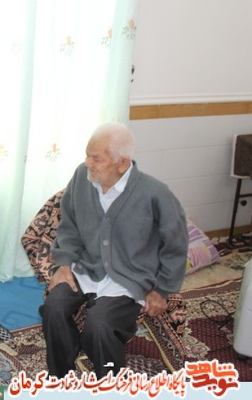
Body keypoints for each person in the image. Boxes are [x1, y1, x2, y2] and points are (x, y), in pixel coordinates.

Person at [40, 122, 188, 379]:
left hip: (129, 277)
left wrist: (162, 289)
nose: (88, 163)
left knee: (100, 326)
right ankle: (60, 378)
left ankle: (110, 385)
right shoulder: (81, 178)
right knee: (54, 307)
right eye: (87, 155)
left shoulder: (155, 193)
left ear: (122, 164)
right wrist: (63, 264)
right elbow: (69, 224)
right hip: (86, 267)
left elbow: (176, 245)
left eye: (97, 158)